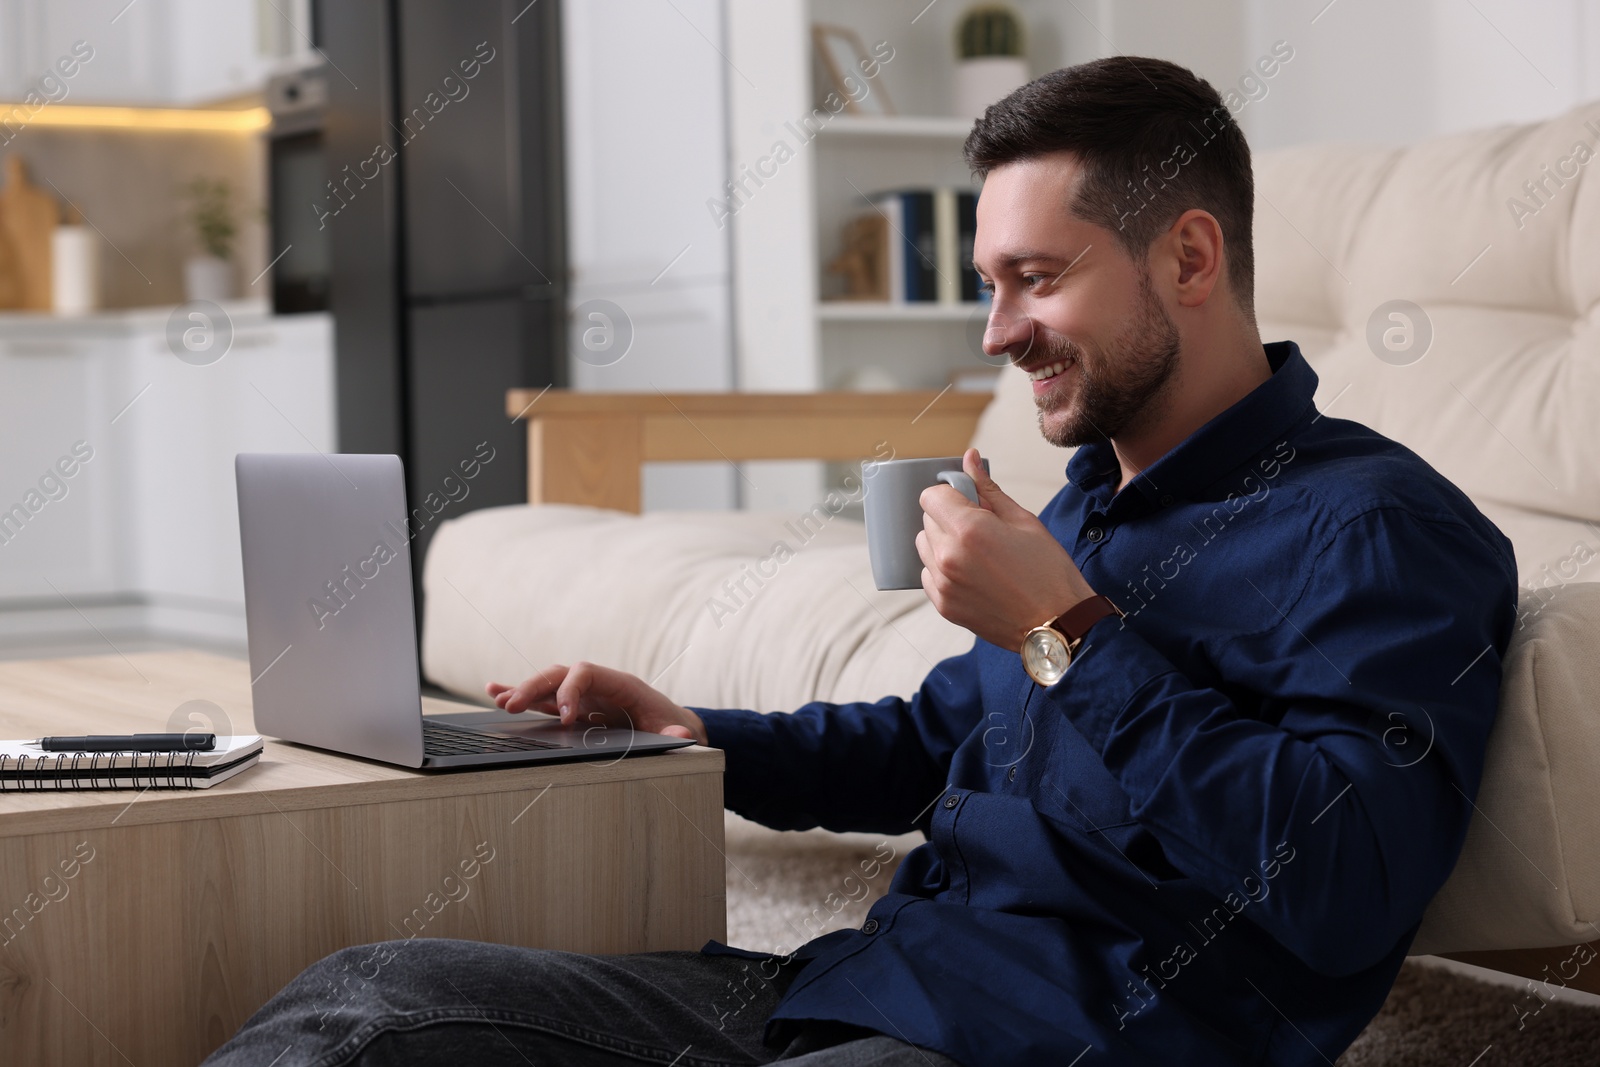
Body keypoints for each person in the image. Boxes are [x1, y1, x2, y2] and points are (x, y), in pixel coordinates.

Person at [206, 56, 1518, 1066]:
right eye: (986, 283)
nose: (996, 331)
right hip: (856, 989)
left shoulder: (1383, 538)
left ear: (1188, 256)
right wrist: (687, 728)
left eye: (1035, 278)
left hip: (1051, 1039)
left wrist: (1066, 633)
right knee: (360, 1005)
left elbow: (1345, 886)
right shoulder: (1084, 506)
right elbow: (925, 743)